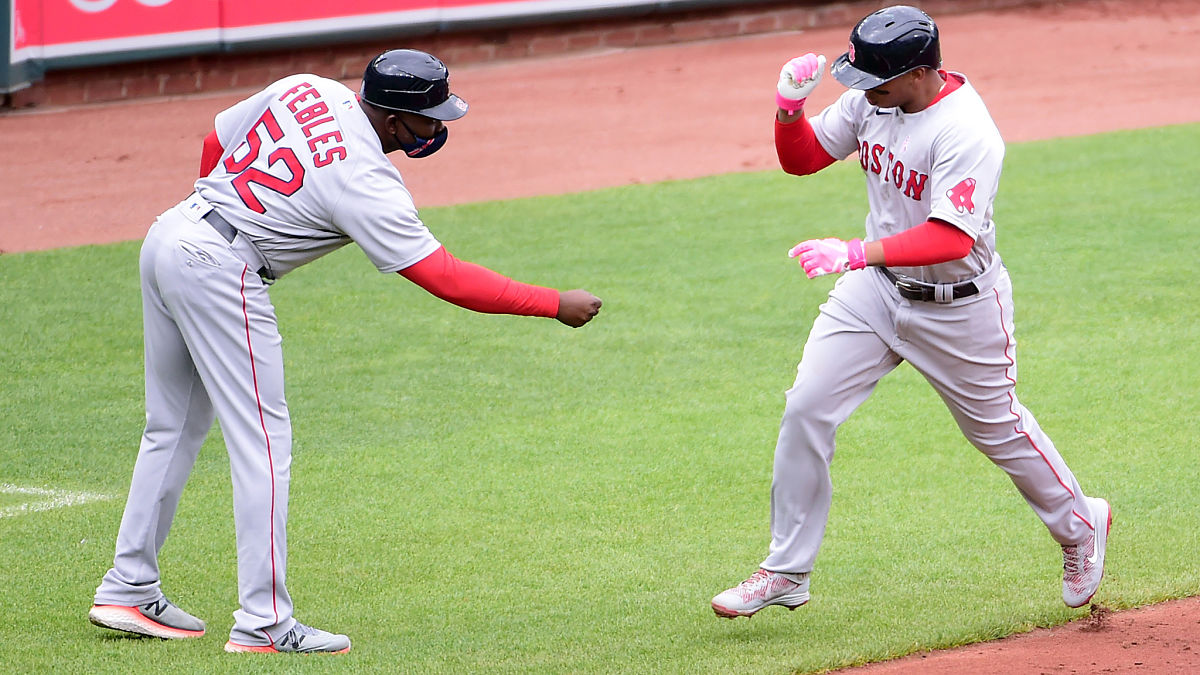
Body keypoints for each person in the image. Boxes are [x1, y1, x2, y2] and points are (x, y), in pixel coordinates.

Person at [88, 48, 602, 653]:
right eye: (430, 119)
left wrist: (222, 211)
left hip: (171, 234)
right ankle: (264, 623)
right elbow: (445, 277)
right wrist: (551, 302)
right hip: (222, 270)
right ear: (391, 119)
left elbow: (214, 142)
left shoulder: (312, 89)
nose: (439, 130)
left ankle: (128, 587)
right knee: (262, 445)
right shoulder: (364, 178)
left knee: (170, 428)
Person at [711, 5, 1110, 618]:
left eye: (879, 81)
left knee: (998, 432)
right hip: (879, 289)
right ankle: (785, 571)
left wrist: (853, 250)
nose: (865, 91)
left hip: (960, 306)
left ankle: (1081, 524)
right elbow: (803, 158)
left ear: (921, 73)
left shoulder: (967, 131)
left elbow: (952, 237)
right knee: (806, 407)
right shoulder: (877, 99)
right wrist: (788, 108)